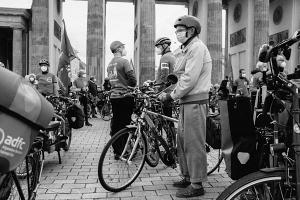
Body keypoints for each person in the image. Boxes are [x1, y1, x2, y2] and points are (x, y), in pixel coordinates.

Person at [159, 15, 212, 198]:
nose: (177, 33)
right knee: (182, 142)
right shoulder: (186, 49)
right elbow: (179, 75)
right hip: (186, 101)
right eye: (177, 30)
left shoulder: (197, 48)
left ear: (191, 31)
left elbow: (189, 79)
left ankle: (197, 185)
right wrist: (167, 90)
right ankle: (188, 176)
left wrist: (171, 96)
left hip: (195, 101)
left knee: (193, 144)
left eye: (180, 30)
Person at [107, 40, 136, 159]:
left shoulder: (109, 64)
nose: (124, 49)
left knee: (116, 124)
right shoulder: (124, 61)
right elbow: (133, 80)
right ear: (119, 49)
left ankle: (116, 150)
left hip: (114, 97)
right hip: (125, 96)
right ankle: (124, 150)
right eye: (123, 47)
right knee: (125, 124)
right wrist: (130, 85)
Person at [155, 37, 176, 120]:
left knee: (165, 118)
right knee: (168, 117)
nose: (157, 49)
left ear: (164, 46)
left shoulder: (165, 57)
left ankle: (170, 132)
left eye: (158, 47)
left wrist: (158, 91)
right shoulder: (172, 56)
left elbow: (164, 75)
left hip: (165, 91)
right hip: (172, 89)